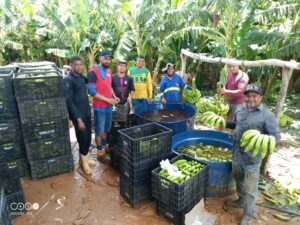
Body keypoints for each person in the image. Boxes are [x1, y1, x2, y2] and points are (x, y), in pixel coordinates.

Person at [225, 85, 280, 225]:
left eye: (254, 96)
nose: (251, 99)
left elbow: (276, 136)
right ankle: (240, 201)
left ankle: (248, 215)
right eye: (248, 96)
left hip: (252, 159)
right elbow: (236, 125)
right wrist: (224, 123)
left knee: (251, 189)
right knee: (238, 180)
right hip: (237, 155)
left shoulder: (267, 115)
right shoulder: (240, 109)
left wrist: (264, 139)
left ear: (261, 97)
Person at [63, 56, 94, 175]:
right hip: (78, 115)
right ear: (71, 65)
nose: (79, 67)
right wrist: (78, 119)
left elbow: (88, 81)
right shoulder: (68, 79)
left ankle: (84, 158)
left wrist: (92, 71)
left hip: (86, 111)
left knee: (87, 137)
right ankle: (84, 163)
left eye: (81, 64)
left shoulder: (81, 76)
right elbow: (69, 101)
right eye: (76, 65)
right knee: (82, 138)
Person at [87, 51, 119, 161]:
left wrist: (114, 97)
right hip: (99, 107)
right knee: (99, 131)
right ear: (100, 58)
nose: (108, 61)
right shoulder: (93, 72)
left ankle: (105, 147)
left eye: (109, 59)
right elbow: (91, 91)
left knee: (106, 129)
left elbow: (109, 87)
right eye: (105, 58)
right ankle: (100, 152)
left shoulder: (109, 70)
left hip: (108, 107)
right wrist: (108, 100)